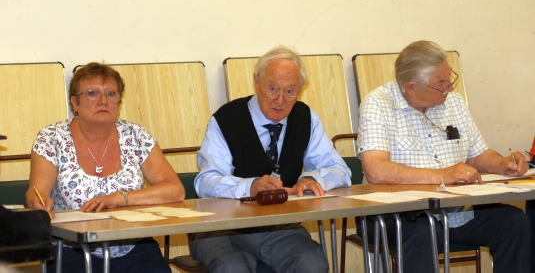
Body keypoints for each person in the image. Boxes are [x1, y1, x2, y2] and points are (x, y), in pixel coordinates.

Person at [357, 40, 531, 273]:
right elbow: (376, 170)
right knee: (424, 230)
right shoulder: (378, 104)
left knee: (514, 222)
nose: (449, 87)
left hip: (454, 211)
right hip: (395, 215)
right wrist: (441, 175)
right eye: (441, 83)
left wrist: (502, 163)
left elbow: (478, 155)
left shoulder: (454, 103)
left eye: (449, 78)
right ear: (411, 88)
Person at [188, 45, 351, 273]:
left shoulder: (306, 118)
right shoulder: (226, 119)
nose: (280, 100)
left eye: (290, 91)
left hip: (278, 225)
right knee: (233, 268)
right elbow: (206, 181)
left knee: (312, 263)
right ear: (257, 81)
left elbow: (339, 169)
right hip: (221, 227)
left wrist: (312, 178)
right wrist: (250, 187)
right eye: (272, 88)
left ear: (300, 90)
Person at [25, 62, 185, 273]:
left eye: (111, 93)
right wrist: (38, 202)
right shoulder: (51, 137)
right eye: (92, 93)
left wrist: (120, 198)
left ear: (119, 101)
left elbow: (175, 189)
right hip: (70, 247)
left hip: (133, 245)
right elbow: (36, 193)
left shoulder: (135, 135)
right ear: (75, 102)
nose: (103, 100)